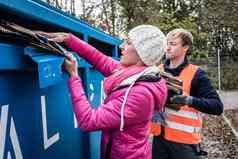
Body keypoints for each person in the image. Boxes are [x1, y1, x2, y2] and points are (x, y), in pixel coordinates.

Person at [40, 25, 168, 159]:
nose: (121, 46)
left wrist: (74, 76)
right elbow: (101, 60)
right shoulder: (133, 73)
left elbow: (88, 120)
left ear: (143, 54)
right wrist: (70, 40)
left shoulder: (140, 94)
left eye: (129, 43)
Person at [151, 28, 224, 159]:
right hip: (159, 141)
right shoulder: (157, 71)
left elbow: (217, 107)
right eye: (166, 43)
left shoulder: (197, 74)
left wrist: (189, 100)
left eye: (172, 44)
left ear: (185, 47)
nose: (167, 48)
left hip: (185, 145)